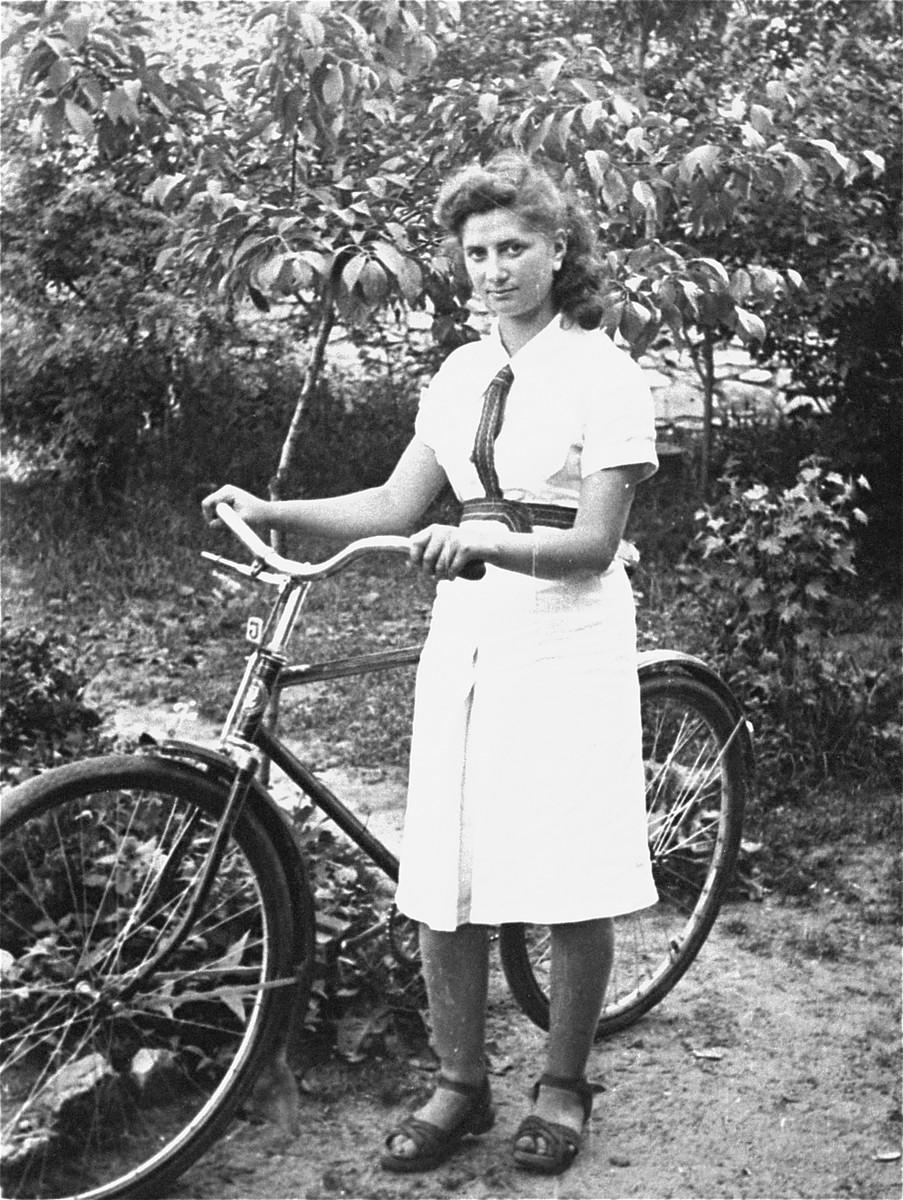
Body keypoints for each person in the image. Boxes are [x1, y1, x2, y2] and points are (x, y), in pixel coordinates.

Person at [202, 151, 658, 1177]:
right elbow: (395, 508)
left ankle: (563, 1081)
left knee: (567, 866)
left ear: (558, 252)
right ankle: (460, 1081)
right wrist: (271, 508)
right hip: (470, 629)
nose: (494, 268)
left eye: (515, 247)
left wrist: (488, 543)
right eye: (477, 252)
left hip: (567, 630)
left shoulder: (604, 371)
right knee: (440, 864)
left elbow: (591, 544)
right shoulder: (458, 374)